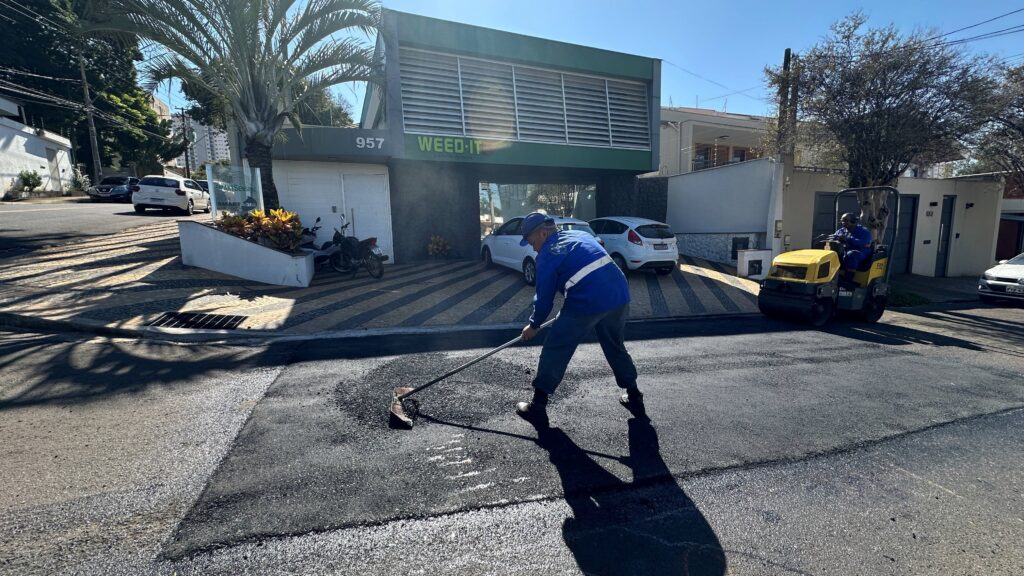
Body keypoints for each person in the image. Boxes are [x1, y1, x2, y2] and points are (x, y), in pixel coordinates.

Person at [515, 212, 641, 424]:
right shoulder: (580, 236)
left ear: (543, 233)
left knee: (556, 346)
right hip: (619, 294)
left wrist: (534, 325)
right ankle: (634, 394)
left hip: (587, 301)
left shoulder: (547, 255)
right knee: (614, 345)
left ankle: (538, 406)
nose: (532, 247)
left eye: (531, 241)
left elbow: (544, 299)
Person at [834, 212, 872, 280]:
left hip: (861, 252)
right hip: (844, 251)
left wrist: (848, 239)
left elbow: (863, 243)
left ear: (853, 221)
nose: (843, 222)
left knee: (851, 254)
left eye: (846, 220)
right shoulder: (841, 231)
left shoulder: (864, 231)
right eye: (842, 220)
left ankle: (849, 278)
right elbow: (834, 238)